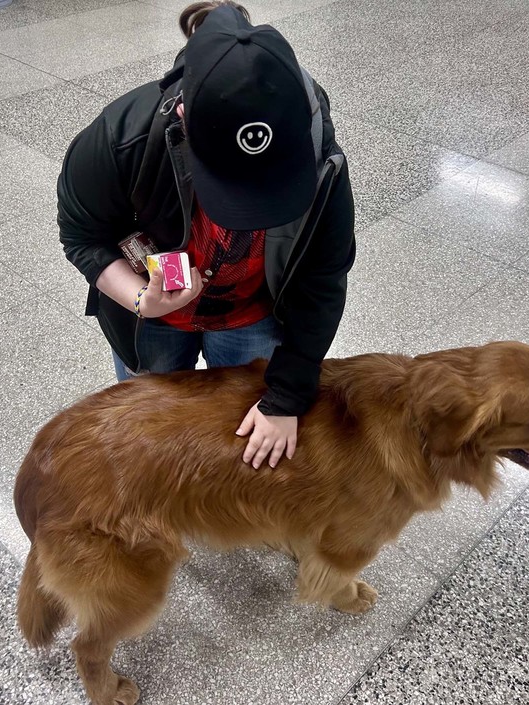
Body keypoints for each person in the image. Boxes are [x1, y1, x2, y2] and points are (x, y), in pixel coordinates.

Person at [57, 1, 355, 471]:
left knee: (241, 438)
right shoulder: (120, 138)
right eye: (229, 184)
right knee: (147, 435)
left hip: (252, 315)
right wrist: (140, 300)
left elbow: (323, 280)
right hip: (149, 321)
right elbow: (81, 235)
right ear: (181, 116)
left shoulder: (323, 163)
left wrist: (287, 396)